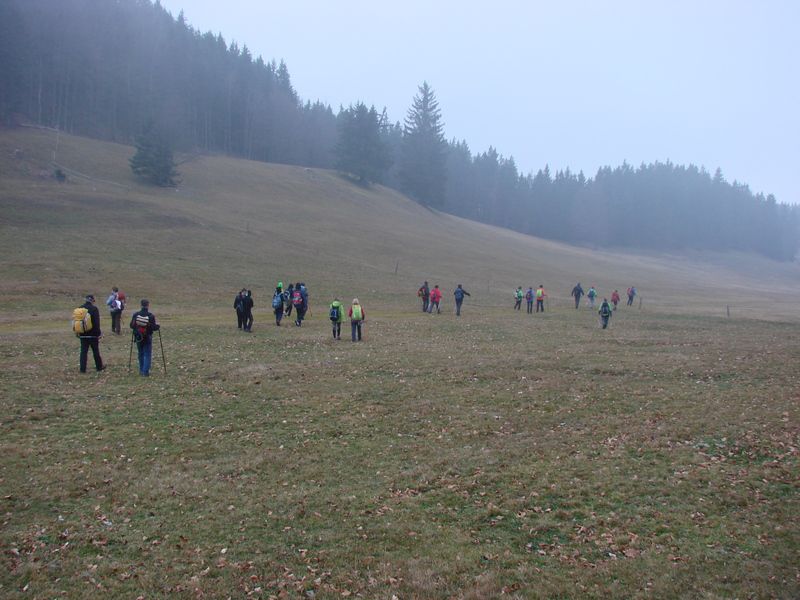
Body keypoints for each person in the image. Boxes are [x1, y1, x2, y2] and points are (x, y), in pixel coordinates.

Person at [130, 299, 160, 376]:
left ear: (141, 305)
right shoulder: (150, 315)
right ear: (148, 305)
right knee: (147, 354)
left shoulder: (136, 314)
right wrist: (158, 326)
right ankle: (145, 372)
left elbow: (131, 325)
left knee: (140, 353)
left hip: (138, 336)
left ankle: (141, 369)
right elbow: (153, 327)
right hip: (147, 336)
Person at [77, 294, 105, 373]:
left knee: (83, 352)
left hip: (82, 334)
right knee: (95, 351)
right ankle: (99, 367)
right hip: (92, 334)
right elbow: (96, 323)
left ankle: (82, 369)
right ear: (92, 300)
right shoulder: (94, 309)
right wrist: (98, 333)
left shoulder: (80, 308)